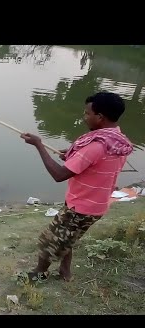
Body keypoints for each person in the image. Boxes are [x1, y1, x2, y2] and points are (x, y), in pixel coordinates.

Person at [20, 92, 133, 281]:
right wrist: (75, 157)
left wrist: (39, 145)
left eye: (87, 113)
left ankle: (38, 274)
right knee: (68, 237)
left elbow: (59, 175)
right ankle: (65, 272)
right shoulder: (117, 140)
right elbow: (95, 163)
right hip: (95, 203)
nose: (84, 117)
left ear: (100, 117)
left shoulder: (96, 146)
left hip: (81, 207)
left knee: (52, 240)